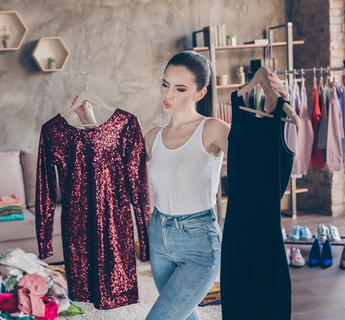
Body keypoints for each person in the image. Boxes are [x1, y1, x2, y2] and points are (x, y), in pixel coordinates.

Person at [73, 50, 289, 319]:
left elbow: (255, 162)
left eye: (180, 88)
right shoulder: (153, 136)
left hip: (200, 243)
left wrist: (272, 115)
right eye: (165, 84)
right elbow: (114, 169)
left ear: (200, 93)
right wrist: (91, 125)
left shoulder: (213, 129)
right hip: (159, 238)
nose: (168, 94)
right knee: (184, 316)